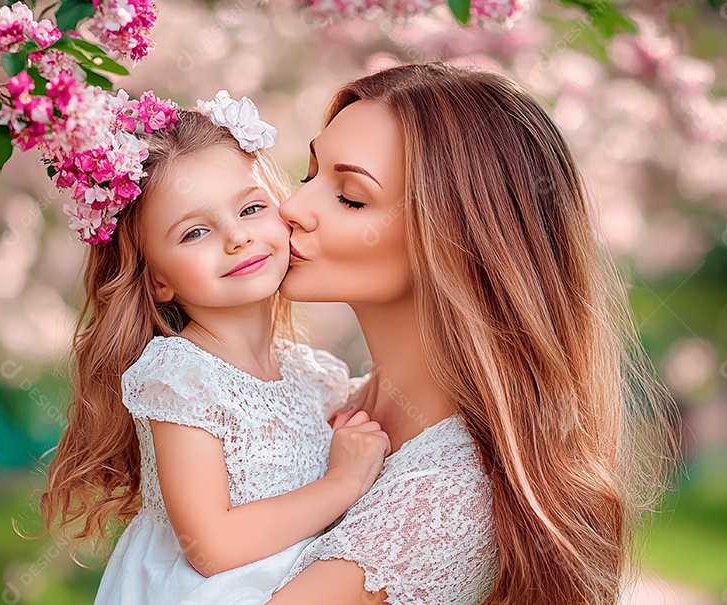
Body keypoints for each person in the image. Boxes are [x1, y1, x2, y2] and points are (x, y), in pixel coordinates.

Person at [267, 63, 675, 605]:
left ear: (457, 237)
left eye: (351, 198)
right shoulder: (318, 398)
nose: (292, 208)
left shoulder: (447, 491)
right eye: (308, 175)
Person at [38, 95, 391, 604]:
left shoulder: (314, 376)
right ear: (157, 279)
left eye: (251, 209)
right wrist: (342, 482)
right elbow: (210, 545)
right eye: (195, 232)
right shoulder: (180, 377)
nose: (237, 238)